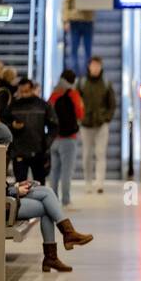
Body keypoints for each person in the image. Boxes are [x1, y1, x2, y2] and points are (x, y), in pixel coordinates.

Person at [0, 123, 93, 272]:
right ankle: (58, 248)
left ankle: (63, 242)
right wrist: (15, 191)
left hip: (7, 199)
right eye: (7, 144)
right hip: (3, 205)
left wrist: (15, 186)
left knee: (47, 193)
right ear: (0, 143)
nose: (8, 148)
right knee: (47, 207)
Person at [5, 77, 57, 182]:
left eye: (26, 91)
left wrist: (46, 143)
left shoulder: (43, 105)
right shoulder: (13, 106)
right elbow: (5, 123)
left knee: (39, 183)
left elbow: (54, 126)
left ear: (32, 89)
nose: (24, 94)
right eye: (21, 91)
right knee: (20, 186)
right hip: (19, 150)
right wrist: (12, 126)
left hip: (38, 150)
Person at [77, 56, 116, 193]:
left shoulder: (106, 83)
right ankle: (88, 182)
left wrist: (107, 118)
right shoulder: (81, 83)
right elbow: (76, 101)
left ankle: (99, 183)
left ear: (101, 67)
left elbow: (112, 104)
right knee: (87, 154)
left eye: (98, 65)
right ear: (89, 66)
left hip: (101, 124)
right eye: (93, 65)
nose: (95, 68)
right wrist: (79, 118)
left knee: (100, 153)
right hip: (85, 124)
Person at [48, 69, 84, 206]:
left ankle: (52, 200)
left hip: (54, 138)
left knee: (54, 171)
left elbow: (48, 114)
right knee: (66, 172)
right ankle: (66, 200)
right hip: (69, 138)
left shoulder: (54, 94)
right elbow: (80, 114)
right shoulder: (73, 94)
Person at [62, 0, 95, 74]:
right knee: (74, 50)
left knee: (87, 50)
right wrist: (66, 21)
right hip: (75, 21)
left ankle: (88, 73)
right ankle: (75, 73)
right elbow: (65, 4)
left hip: (87, 20)